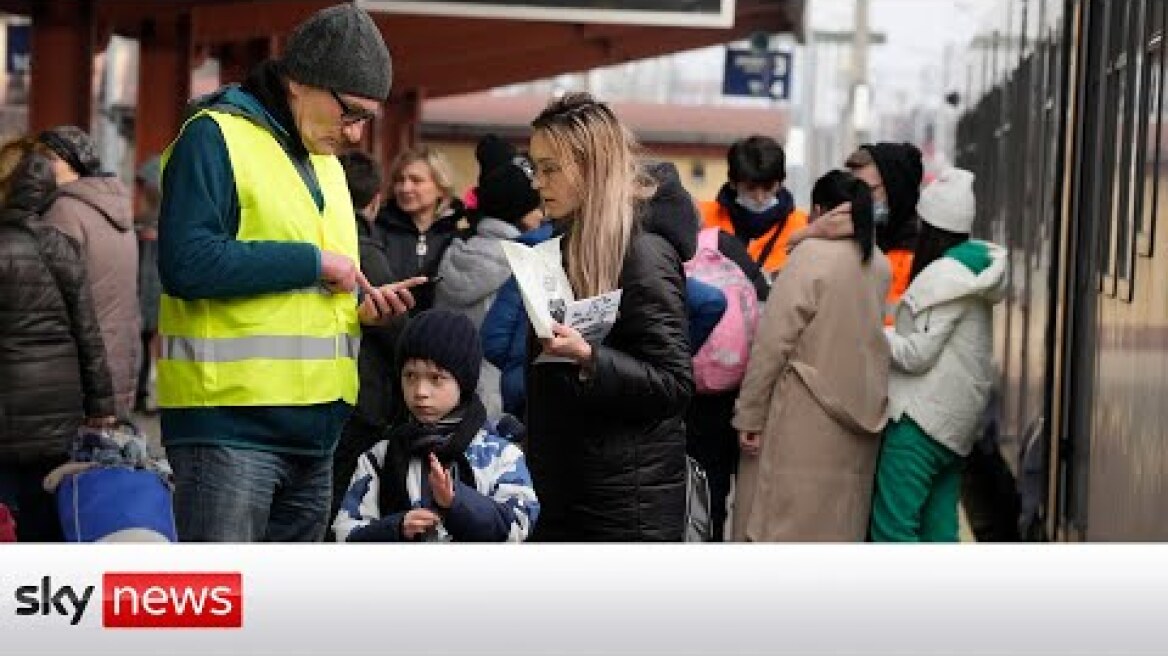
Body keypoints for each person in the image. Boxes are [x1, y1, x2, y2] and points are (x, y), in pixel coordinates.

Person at [156, 3, 422, 542]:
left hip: (316, 434)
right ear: (301, 82)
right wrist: (312, 263)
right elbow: (186, 263)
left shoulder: (321, 158)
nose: (354, 134)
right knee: (222, 615)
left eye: (365, 119)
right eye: (351, 112)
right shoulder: (214, 136)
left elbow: (303, 296)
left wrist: (360, 310)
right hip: (230, 427)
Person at [525, 93, 693, 541]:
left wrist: (590, 359)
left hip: (626, 509)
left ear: (591, 166)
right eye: (534, 168)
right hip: (567, 493)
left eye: (550, 169)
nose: (538, 183)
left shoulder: (644, 253)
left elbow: (674, 384)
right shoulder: (562, 246)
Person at [732, 170, 890, 542]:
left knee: (774, 528)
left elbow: (773, 343)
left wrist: (749, 414)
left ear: (818, 210)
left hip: (801, 420)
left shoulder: (811, 257)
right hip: (860, 420)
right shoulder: (878, 263)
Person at [869, 168, 1007, 542]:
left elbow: (916, 354)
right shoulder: (973, 271)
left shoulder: (942, 277)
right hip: (955, 427)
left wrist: (872, 331)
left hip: (919, 423)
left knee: (893, 529)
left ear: (931, 228)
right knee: (938, 528)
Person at [333, 309, 538, 542]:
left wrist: (456, 502)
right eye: (410, 376)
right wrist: (396, 528)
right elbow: (345, 533)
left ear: (464, 381)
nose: (420, 392)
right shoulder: (379, 457)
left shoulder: (502, 456)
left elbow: (518, 528)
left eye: (436, 378)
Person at [0, 152, 116, 541]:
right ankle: (43, 594)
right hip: (58, 408)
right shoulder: (62, 246)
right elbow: (88, 331)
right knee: (45, 510)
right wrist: (102, 406)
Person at [435, 135, 543, 417]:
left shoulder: (456, 252)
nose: (543, 213)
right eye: (537, 205)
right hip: (497, 403)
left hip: (444, 394)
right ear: (517, 210)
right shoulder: (523, 262)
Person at [38, 126, 140, 419]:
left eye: (48, 158)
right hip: (117, 365)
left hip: (81, 375)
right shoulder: (116, 208)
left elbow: (50, 301)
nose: (38, 167)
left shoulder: (63, 212)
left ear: (74, 162)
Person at [330, 149, 404, 529]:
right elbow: (396, 329)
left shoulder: (313, 241)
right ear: (375, 201)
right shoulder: (368, 254)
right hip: (361, 399)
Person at [699, 135, 809, 278]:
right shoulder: (700, 218)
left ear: (781, 182)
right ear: (733, 182)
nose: (760, 198)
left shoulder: (803, 227)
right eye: (751, 188)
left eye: (768, 187)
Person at [376, 145, 467, 314]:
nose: (405, 188)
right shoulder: (378, 232)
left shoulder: (457, 239)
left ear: (441, 187)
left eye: (416, 180)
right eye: (399, 180)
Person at [134, 155, 163, 414]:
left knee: (157, 342)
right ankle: (144, 392)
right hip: (145, 303)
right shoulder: (139, 227)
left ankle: (152, 393)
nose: (139, 196)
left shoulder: (168, 229)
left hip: (159, 303)